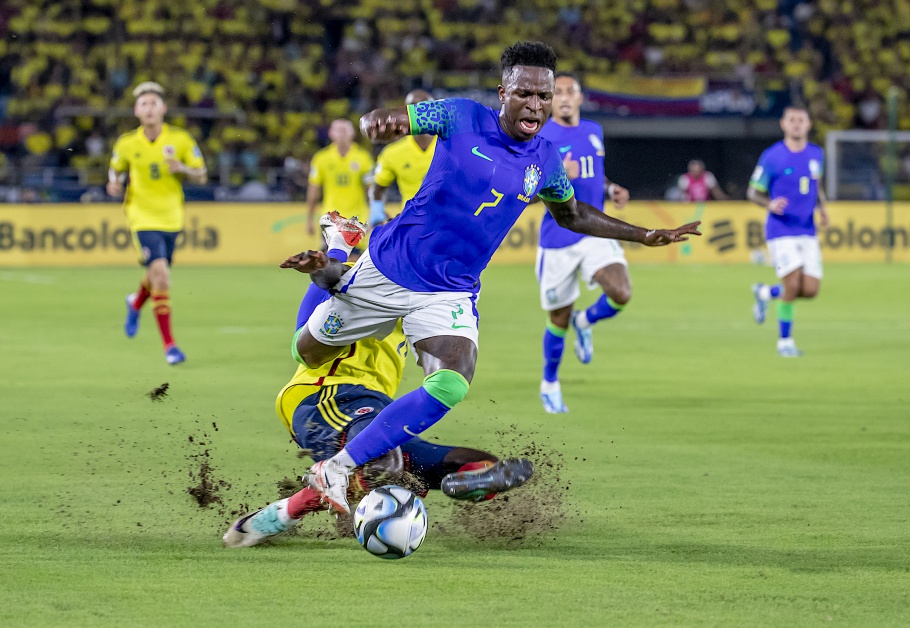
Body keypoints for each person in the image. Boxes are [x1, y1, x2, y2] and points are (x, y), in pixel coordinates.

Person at [296, 41, 700, 515]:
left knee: (452, 381)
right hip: (389, 268)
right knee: (306, 352)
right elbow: (393, 120)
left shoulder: (546, 158)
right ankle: (340, 248)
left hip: (450, 290)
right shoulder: (461, 116)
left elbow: (570, 213)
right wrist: (377, 124)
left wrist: (644, 234)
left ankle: (337, 469)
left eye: (544, 97)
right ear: (502, 92)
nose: (536, 105)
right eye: (526, 93)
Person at [223, 217, 533, 548]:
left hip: (378, 413)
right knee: (386, 463)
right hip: (323, 395)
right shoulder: (371, 277)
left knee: (466, 462)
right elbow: (313, 317)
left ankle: (467, 481)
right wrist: (336, 252)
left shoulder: (437, 294)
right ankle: (285, 512)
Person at [535, 72, 632, 414]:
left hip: (595, 232)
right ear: (550, 99)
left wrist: (610, 189)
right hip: (558, 238)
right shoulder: (541, 135)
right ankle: (550, 382)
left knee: (621, 292)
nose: (563, 97)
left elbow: (596, 173)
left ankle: (586, 321)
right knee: (558, 317)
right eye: (556, 92)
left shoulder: (594, 131)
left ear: (579, 98)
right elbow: (526, 192)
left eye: (569, 91)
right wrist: (557, 177)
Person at [108, 82, 207, 365]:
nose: (149, 108)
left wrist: (183, 169)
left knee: (156, 275)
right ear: (136, 111)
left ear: (163, 108)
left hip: (172, 216)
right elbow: (114, 172)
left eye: (154, 103)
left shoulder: (181, 140)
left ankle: (135, 302)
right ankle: (170, 346)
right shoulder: (126, 143)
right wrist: (113, 184)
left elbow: (201, 175)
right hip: (141, 215)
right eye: (144, 104)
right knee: (162, 276)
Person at [748, 106, 828, 357]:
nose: (796, 124)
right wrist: (769, 203)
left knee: (811, 290)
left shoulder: (817, 154)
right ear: (783, 124)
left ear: (808, 124)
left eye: (800, 120)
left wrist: (823, 208)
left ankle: (765, 292)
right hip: (780, 229)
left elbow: (817, 185)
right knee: (792, 285)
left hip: (807, 229)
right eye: (791, 120)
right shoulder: (772, 156)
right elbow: (752, 192)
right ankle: (785, 342)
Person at [368, 89, 437, 226]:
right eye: (413, 107)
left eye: (424, 106)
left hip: (448, 225)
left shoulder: (452, 146)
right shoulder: (392, 153)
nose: (419, 111)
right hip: (412, 224)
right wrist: (377, 212)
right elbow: (378, 189)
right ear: (406, 112)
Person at [305, 119, 374, 236]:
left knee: (355, 255)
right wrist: (309, 219)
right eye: (338, 130)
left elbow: (371, 190)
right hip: (331, 219)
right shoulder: (321, 159)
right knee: (331, 254)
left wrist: (373, 216)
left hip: (357, 219)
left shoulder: (363, 158)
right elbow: (314, 191)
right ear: (330, 134)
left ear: (353, 133)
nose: (342, 134)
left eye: (345, 130)